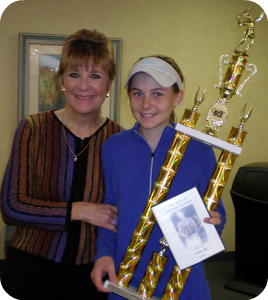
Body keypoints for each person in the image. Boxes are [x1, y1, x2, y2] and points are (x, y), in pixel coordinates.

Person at [91, 55, 226, 300]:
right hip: (126, 278)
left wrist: (214, 222)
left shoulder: (199, 149)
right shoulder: (113, 148)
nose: (145, 104)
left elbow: (217, 212)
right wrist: (104, 253)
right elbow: (109, 212)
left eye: (158, 94)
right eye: (137, 93)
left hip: (183, 281)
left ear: (178, 98)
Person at [0, 29, 122, 300]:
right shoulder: (32, 128)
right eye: (74, 74)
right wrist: (78, 211)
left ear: (109, 84)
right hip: (29, 271)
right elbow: (11, 207)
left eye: (95, 76)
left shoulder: (120, 139)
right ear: (62, 81)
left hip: (92, 276)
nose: (84, 86)